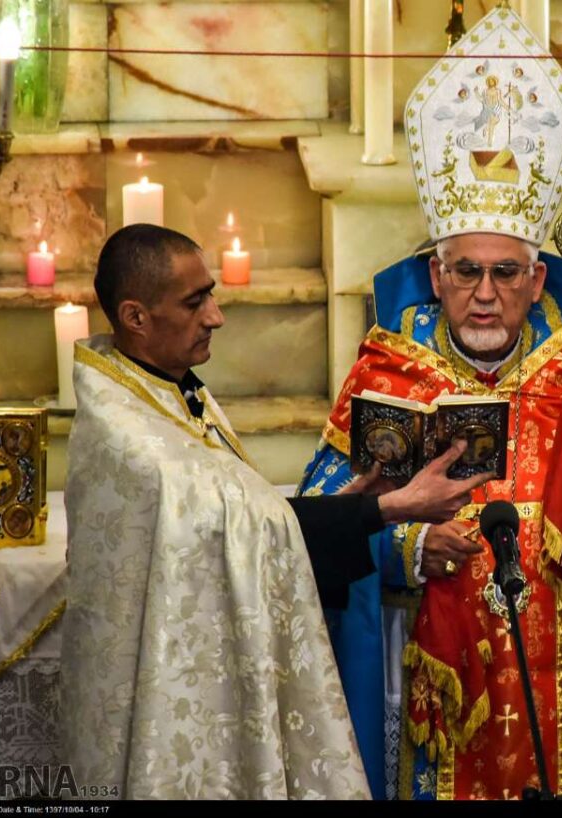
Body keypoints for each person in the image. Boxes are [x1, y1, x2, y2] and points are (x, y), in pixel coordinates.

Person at [296, 5, 562, 801]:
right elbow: (324, 517)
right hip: (430, 683)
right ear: (436, 271)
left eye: (505, 273)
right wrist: (408, 551)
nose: (484, 295)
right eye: (465, 272)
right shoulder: (388, 374)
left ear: (536, 277)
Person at [61, 225, 485, 799]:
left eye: (212, 294)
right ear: (136, 317)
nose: (217, 316)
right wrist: (394, 509)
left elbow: (241, 524)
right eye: (195, 302)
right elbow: (232, 533)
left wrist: (353, 505)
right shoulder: (129, 436)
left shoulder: (163, 387)